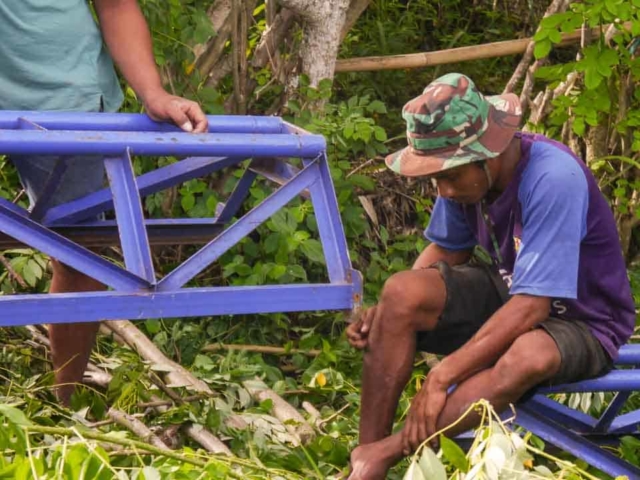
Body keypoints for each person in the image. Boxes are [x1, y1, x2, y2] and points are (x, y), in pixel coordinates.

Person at [345, 72, 635, 479]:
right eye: (435, 178)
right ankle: (364, 459)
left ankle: (387, 451)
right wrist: (390, 314)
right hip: (514, 290)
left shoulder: (553, 178)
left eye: (449, 176)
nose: (442, 190)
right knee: (400, 293)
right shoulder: (466, 183)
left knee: (527, 356)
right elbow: (446, 250)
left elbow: (532, 308)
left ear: (489, 152)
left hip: (583, 319)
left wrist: (442, 375)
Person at [0, 0, 209, 405]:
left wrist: (153, 93)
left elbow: (115, 5)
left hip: (65, 98)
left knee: (80, 255)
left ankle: (64, 406)